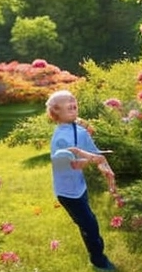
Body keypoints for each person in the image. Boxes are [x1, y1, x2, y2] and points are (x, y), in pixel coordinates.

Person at [46, 89, 117, 272]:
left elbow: (95, 153)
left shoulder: (78, 130)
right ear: (56, 111)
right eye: (66, 101)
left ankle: (85, 228)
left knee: (86, 221)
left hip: (79, 187)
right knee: (90, 226)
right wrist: (91, 160)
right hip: (68, 193)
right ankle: (99, 261)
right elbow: (67, 166)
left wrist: (105, 168)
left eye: (73, 99)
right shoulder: (61, 139)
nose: (72, 102)